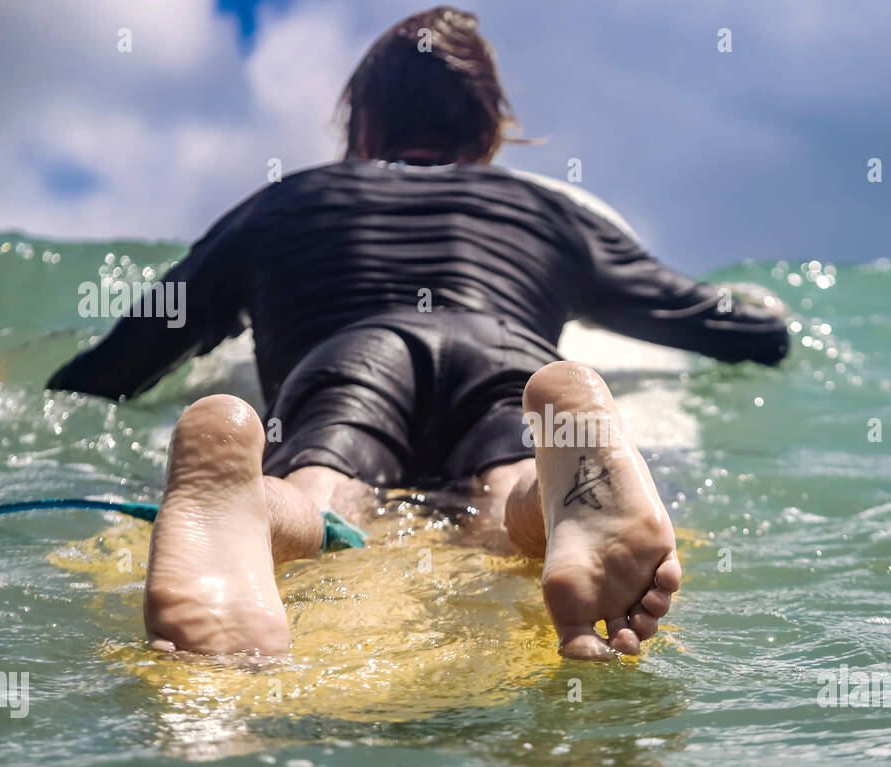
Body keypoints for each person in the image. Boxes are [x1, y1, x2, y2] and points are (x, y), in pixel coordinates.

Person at [46, 6, 788, 662]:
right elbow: (727, 329)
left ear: (363, 125)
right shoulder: (548, 214)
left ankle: (251, 502)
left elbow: (116, 366)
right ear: (487, 132)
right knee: (504, 500)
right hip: (507, 357)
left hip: (346, 355)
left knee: (324, 494)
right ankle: (558, 487)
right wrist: (768, 323)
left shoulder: (281, 206)